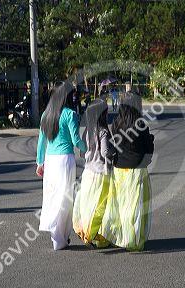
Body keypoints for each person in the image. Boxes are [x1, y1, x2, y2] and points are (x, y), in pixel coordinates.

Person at [36, 81, 87, 250]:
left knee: (51, 198)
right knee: (65, 199)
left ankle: (56, 237)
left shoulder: (46, 115)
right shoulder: (70, 114)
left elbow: (41, 142)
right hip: (65, 160)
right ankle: (60, 237)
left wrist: (39, 163)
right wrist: (90, 149)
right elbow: (76, 140)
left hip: (50, 161)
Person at [100, 93, 154, 251]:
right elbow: (147, 148)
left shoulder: (116, 123)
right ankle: (134, 240)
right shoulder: (141, 124)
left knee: (121, 204)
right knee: (136, 207)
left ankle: (121, 236)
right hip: (137, 169)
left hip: (119, 170)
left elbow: (112, 146)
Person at [72, 99, 114, 247]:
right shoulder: (103, 131)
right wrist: (114, 150)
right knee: (101, 206)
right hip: (101, 173)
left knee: (89, 205)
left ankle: (87, 231)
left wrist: (90, 155)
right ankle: (96, 235)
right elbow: (105, 151)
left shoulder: (87, 131)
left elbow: (82, 153)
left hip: (88, 172)